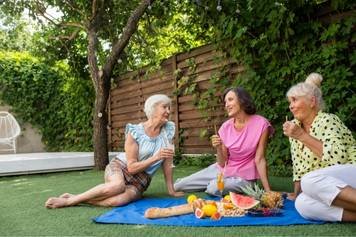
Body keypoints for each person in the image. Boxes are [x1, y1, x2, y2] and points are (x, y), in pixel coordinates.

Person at [45, 94, 184, 208]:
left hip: (142, 179)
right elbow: (131, 167)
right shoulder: (135, 132)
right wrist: (155, 158)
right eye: (164, 107)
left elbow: (167, 162)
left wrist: (171, 190)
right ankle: (68, 201)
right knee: (117, 186)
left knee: (118, 201)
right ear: (153, 109)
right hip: (121, 167)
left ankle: (76, 198)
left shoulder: (168, 129)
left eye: (169, 107)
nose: (168, 111)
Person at [283, 72, 356, 222]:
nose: (290, 106)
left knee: (309, 180)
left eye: (294, 100)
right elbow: (299, 170)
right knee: (303, 204)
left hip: (350, 172)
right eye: (289, 102)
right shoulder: (295, 128)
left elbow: (338, 159)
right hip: (327, 184)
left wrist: (302, 136)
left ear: (312, 102)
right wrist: (296, 195)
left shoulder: (328, 120)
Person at [174, 87, 273, 196]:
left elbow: (260, 159)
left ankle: (215, 184)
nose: (226, 105)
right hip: (224, 170)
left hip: (244, 177)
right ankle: (214, 183)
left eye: (230, 100)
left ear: (242, 101)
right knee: (179, 186)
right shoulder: (225, 127)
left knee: (213, 188)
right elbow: (222, 162)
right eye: (225, 102)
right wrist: (218, 147)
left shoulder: (261, 124)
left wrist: (268, 190)